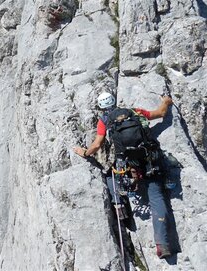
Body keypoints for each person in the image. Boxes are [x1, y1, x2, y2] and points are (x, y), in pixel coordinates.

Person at [73, 92, 175, 259]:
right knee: (157, 199)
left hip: (128, 164)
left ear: (100, 107)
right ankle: (163, 245)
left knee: (109, 175)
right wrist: (166, 101)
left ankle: (119, 205)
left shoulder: (104, 121)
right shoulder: (133, 111)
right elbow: (161, 113)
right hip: (149, 160)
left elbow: (97, 144)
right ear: (115, 101)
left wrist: (84, 152)